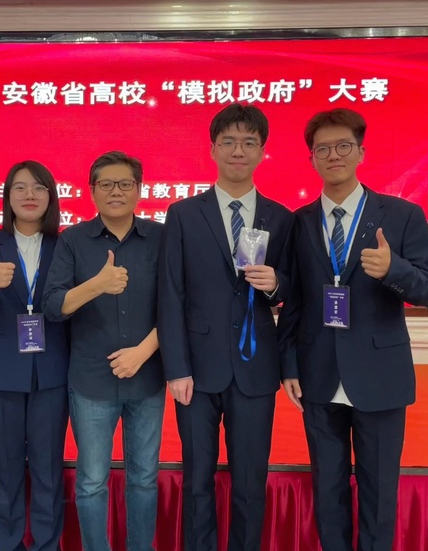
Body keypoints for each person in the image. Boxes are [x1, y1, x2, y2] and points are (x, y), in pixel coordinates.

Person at [278, 108, 428, 551]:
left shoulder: (402, 215)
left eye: (343, 146)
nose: (333, 155)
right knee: (327, 489)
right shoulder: (300, 221)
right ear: (312, 158)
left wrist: (394, 269)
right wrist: (289, 364)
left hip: (379, 374)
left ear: (361, 153)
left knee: (378, 491)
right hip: (318, 374)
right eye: (323, 149)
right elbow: (295, 299)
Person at [157, 103, 293, 551]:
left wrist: (276, 285)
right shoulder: (183, 213)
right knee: (197, 479)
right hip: (196, 371)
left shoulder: (280, 217)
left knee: (251, 481)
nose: (239, 151)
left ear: (262, 151)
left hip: (255, 369)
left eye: (249, 143)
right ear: (213, 149)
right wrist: (177, 367)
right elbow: (171, 294)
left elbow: (294, 293)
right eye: (229, 142)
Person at [43, 151, 165, 551]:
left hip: (148, 378)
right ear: (92, 191)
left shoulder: (161, 238)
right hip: (91, 381)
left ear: (139, 190)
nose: (116, 191)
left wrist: (143, 352)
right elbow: (53, 306)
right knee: (92, 481)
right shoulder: (73, 240)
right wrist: (96, 285)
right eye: (106, 184)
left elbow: (179, 304)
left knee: (144, 479)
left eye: (125, 184)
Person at [0, 160, 69, 551]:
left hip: (51, 373)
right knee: (5, 470)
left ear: (51, 196)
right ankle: (7, 544)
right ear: (7, 197)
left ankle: (46, 544)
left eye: (38, 187)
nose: (29, 195)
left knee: (48, 470)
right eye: (20, 188)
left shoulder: (65, 245)